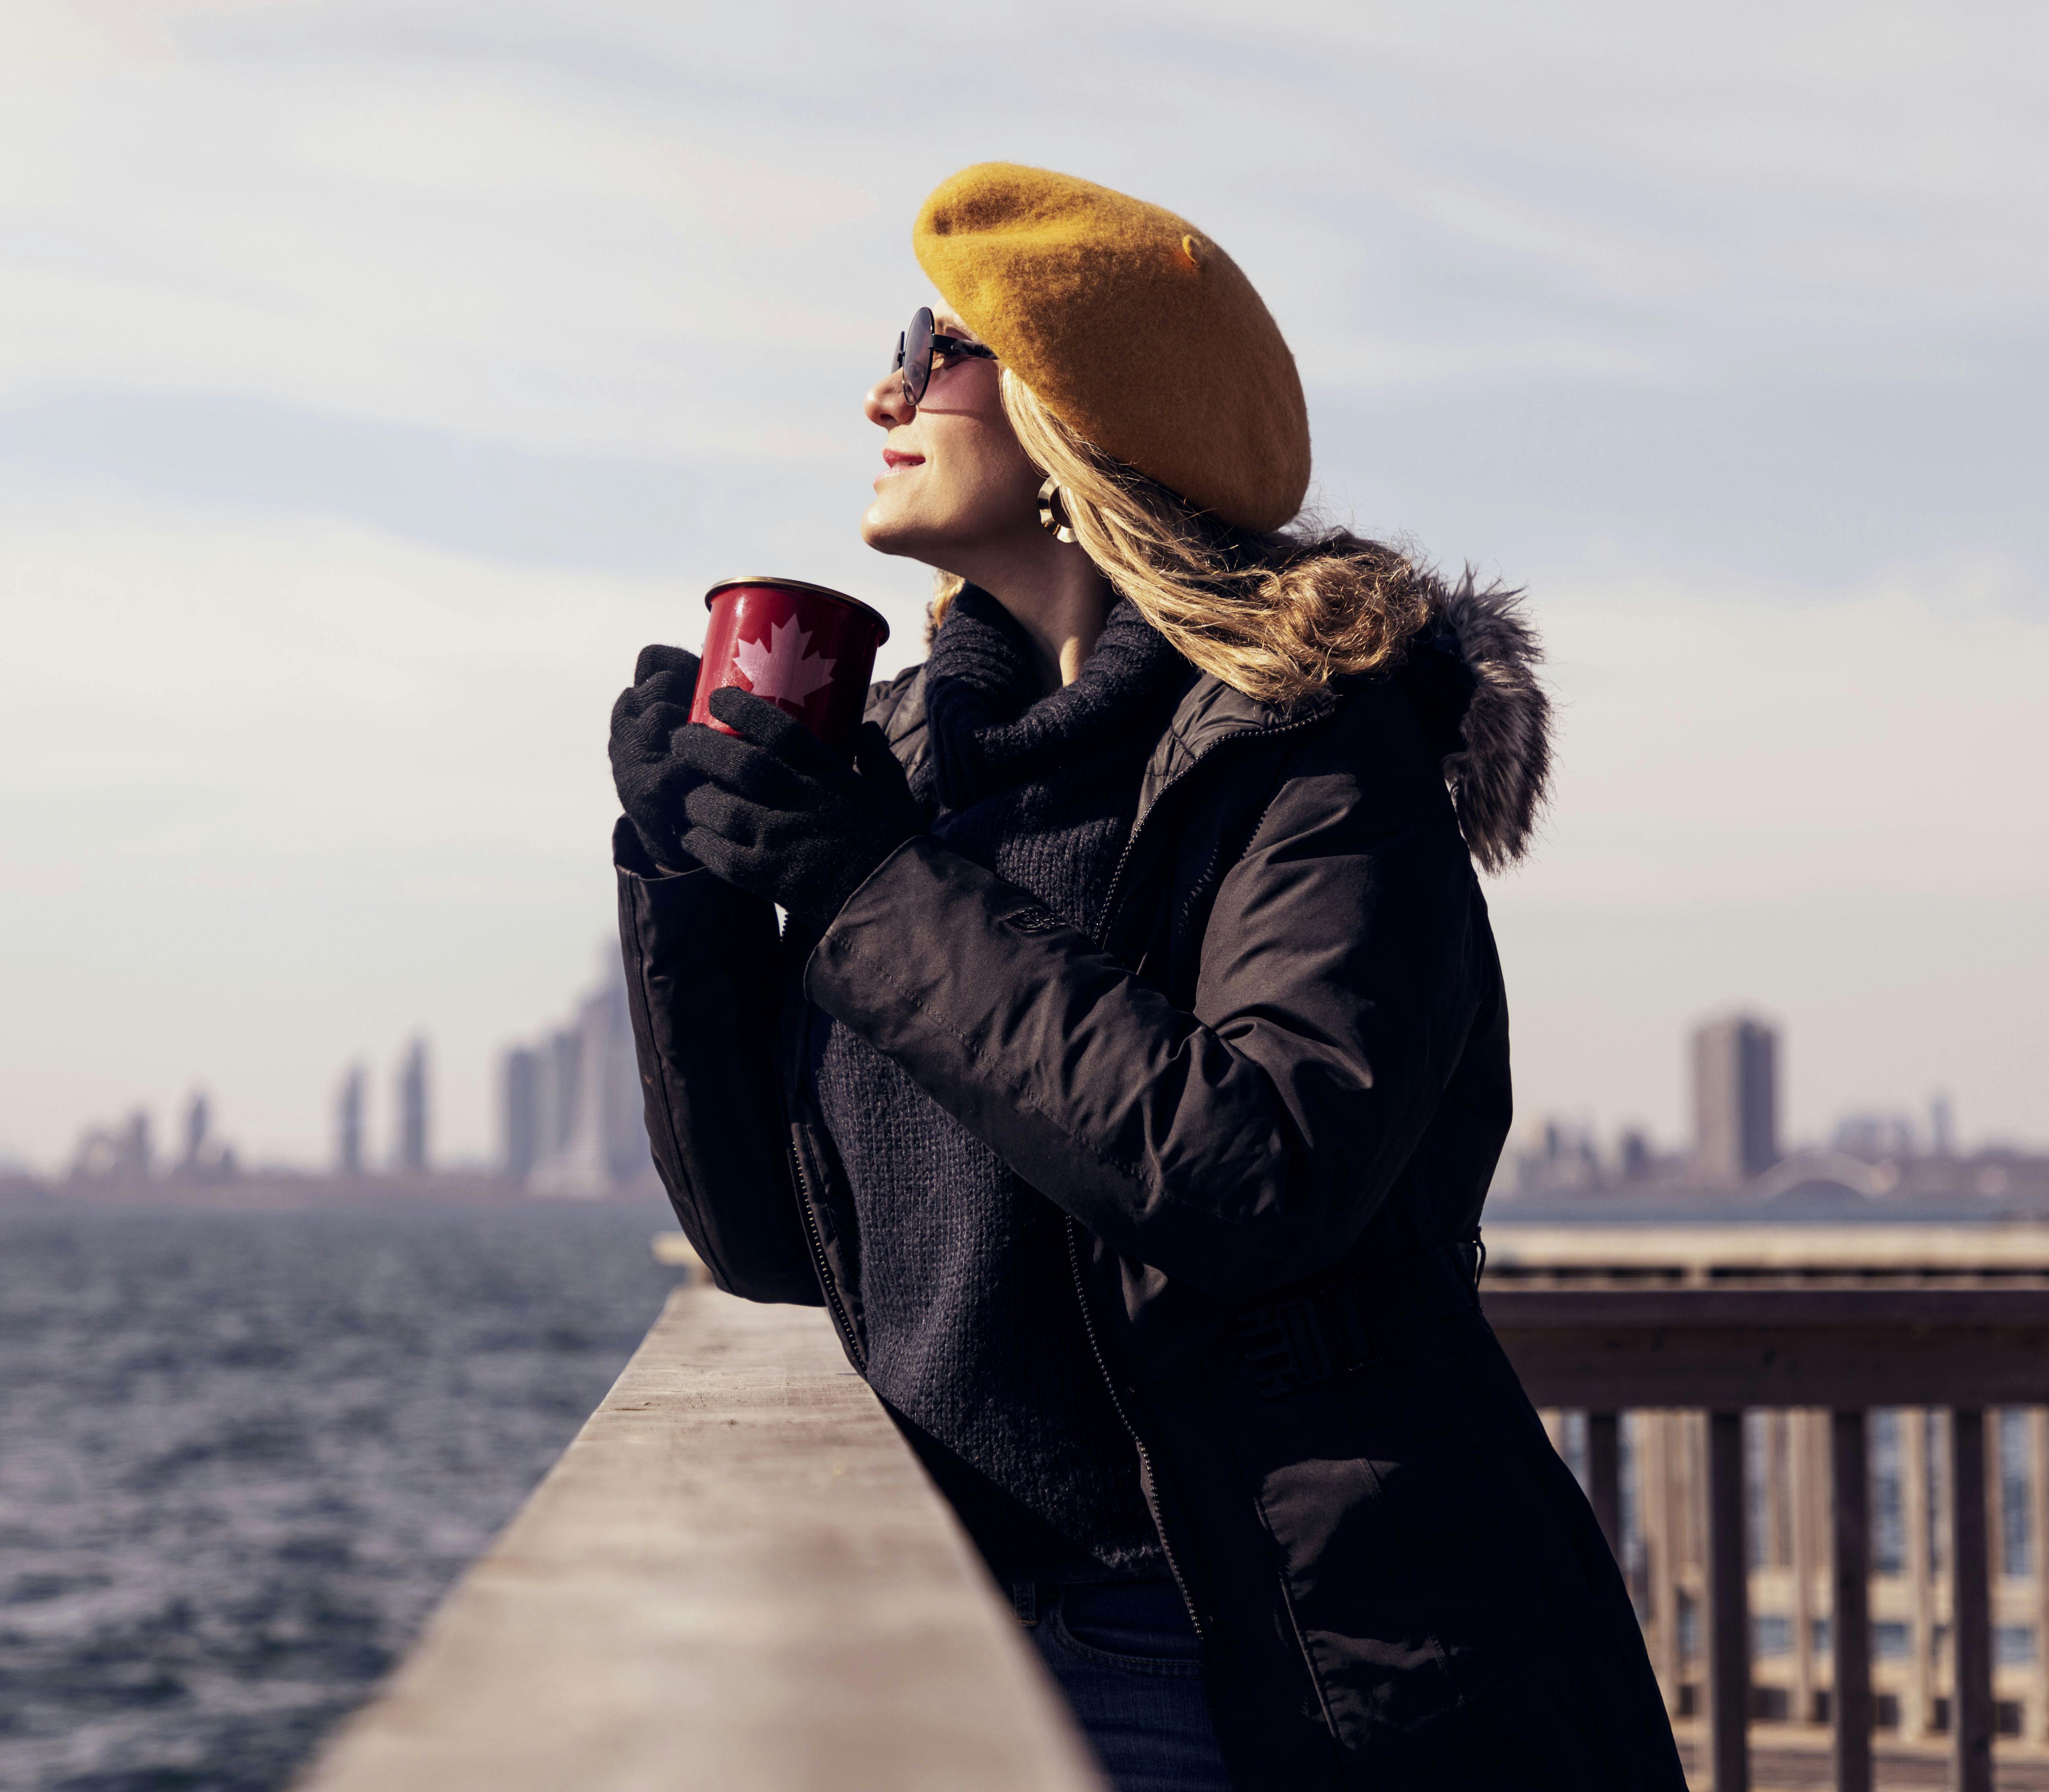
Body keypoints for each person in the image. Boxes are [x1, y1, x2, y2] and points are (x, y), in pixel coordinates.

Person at [606, 164, 1682, 1790]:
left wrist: (851, 883)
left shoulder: (1318, 755)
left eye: (937, 345)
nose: (884, 388)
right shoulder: (901, 770)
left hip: (1227, 1649)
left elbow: (1254, 1165)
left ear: (1071, 418)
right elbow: (772, 1245)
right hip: (944, 1612)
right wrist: (686, 873)